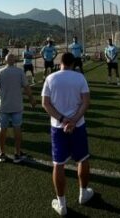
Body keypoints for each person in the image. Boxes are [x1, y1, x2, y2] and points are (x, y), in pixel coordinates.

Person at [41, 53, 94, 215]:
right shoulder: (80, 78)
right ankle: (83, 193)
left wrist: (63, 120)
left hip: (58, 127)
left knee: (58, 164)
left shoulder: (51, 78)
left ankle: (62, 204)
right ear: (73, 63)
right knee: (83, 159)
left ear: (60, 62)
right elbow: (86, 101)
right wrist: (74, 120)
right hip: (78, 126)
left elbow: (45, 103)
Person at [0, 54, 36, 163]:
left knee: (2, 129)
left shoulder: (1, 72)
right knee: (17, 129)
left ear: (6, 61)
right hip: (17, 106)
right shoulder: (19, 72)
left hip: (4, 106)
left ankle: (2, 153)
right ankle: (17, 154)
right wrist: (31, 99)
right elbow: (27, 87)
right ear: (14, 61)